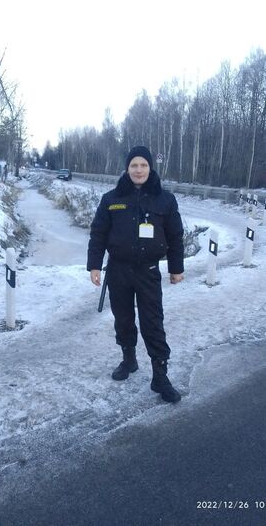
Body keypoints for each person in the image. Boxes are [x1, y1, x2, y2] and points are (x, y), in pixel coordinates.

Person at [87, 146, 184, 403]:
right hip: (118, 271)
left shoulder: (165, 199)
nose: (138, 170)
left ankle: (160, 376)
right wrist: (94, 265)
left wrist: (176, 268)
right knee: (123, 319)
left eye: (143, 165)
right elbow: (98, 234)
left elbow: (175, 236)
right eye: (134, 165)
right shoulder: (111, 199)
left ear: (150, 168)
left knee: (153, 322)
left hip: (148, 271)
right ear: (127, 168)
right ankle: (128, 360)